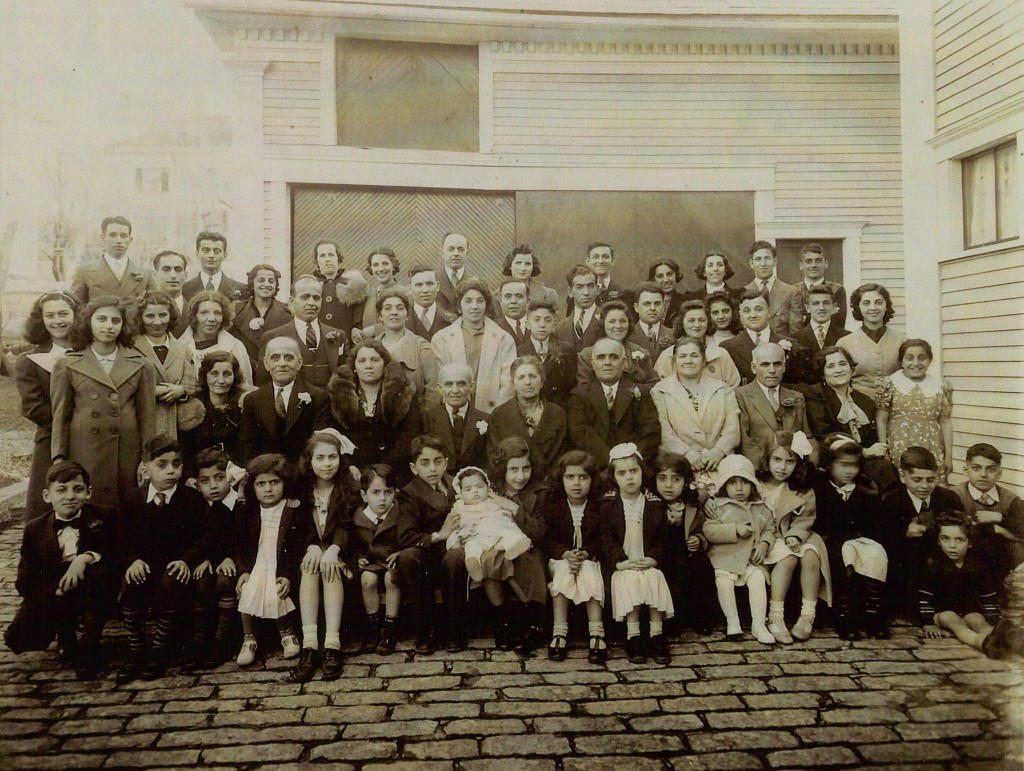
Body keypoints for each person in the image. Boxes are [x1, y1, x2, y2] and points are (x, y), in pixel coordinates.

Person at [5, 461, 110, 680]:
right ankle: (65, 636)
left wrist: (85, 558)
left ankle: (89, 647)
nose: (70, 496)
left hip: (91, 584)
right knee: (19, 637)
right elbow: (24, 580)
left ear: (88, 493)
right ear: (46, 495)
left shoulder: (103, 517)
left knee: (99, 577)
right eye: (61, 490)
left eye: (78, 489)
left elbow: (115, 554)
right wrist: (55, 592)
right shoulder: (34, 529)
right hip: (55, 590)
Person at [51, 295, 156, 513]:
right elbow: (61, 415)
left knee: (127, 510)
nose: (108, 326)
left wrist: (148, 458)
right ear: (88, 322)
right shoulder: (67, 364)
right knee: (91, 509)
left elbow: (147, 417)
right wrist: (59, 457)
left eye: (115, 321)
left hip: (127, 451)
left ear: (123, 325)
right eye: (101, 319)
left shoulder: (141, 364)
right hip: (85, 450)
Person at [117, 438, 207, 682]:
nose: (171, 470)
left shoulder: (191, 499)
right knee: (132, 586)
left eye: (176, 464)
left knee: (170, 585)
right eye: (162, 465)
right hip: (144, 566)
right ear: (146, 468)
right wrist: (133, 560)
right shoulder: (133, 499)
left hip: (174, 565)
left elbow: (205, 537)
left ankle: (159, 649)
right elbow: (122, 539)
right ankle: (136, 650)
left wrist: (186, 560)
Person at [290, 430, 356, 682]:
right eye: (320, 458)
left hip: (343, 552)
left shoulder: (347, 487)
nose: (327, 464)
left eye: (332, 457)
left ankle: (332, 644)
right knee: (310, 568)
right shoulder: (301, 489)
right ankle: (309, 645)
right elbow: (299, 526)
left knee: (329, 568)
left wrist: (335, 548)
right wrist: (312, 546)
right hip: (310, 552)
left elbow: (347, 525)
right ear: (310, 461)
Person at [600, 443, 674, 664]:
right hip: (623, 564)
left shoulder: (654, 504)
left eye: (634, 471)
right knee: (629, 579)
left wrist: (653, 557)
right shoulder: (608, 506)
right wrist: (619, 561)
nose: (629, 478)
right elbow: (606, 540)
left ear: (643, 472)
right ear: (614, 477)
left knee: (654, 577)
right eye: (622, 473)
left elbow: (662, 538)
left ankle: (656, 634)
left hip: (647, 561)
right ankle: (633, 635)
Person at [813, 434, 889, 640]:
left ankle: (872, 614)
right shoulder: (820, 486)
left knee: (876, 554)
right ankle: (844, 615)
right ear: (830, 465)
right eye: (843, 465)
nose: (849, 471)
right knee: (843, 556)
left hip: (859, 536)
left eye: (854, 466)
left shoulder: (865, 489)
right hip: (831, 536)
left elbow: (873, 522)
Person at [919, 517, 1024, 660]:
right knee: (956, 623)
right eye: (945, 539)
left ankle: (1003, 638)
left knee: (978, 620)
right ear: (938, 540)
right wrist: (928, 623)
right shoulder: (934, 565)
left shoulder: (976, 565)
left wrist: (994, 620)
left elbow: (987, 595)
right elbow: (925, 596)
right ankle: (982, 643)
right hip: (942, 611)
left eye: (959, 540)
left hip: (969, 609)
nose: (952, 546)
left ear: (970, 543)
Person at [759, 431, 830, 644]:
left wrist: (796, 536)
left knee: (811, 555)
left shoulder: (802, 490)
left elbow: (806, 518)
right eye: (777, 460)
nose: (782, 467)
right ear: (767, 460)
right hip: (769, 535)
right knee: (787, 558)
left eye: (789, 461)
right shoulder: (757, 485)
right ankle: (776, 616)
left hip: (796, 533)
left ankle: (807, 615)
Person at [234, 453, 303, 666]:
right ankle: (248, 638)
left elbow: (296, 548)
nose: (268, 489)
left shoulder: (292, 508)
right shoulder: (249, 511)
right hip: (257, 563)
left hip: (278, 564)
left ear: (284, 483)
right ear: (253, 487)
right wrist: (243, 570)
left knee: (276, 590)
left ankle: (287, 633)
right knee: (247, 590)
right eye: (261, 484)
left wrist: (288, 575)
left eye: (274, 482)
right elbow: (239, 545)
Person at [878, 446, 964, 616]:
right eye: (917, 480)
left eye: (931, 480)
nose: (925, 486)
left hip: (940, 561)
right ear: (903, 476)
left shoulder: (949, 498)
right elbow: (880, 537)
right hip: (907, 564)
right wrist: (904, 533)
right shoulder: (892, 501)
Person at [15, 290, 78, 520]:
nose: (57, 321)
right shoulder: (29, 360)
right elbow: (33, 407)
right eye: (49, 315)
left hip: (93, 440)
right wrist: (72, 424)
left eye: (64, 314)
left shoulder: (90, 352)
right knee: (49, 504)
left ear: (76, 315)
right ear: (41, 320)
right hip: (50, 440)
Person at [703, 453, 778, 644]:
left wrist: (764, 544)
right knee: (724, 583)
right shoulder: (718, 506)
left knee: (758, 580)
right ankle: (732, 621)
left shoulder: (760, 507)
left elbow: (770, 528)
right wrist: (734, 529)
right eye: (732, 482)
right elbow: (709, 531)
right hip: (725, 558)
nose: (738, 488)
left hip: (750, 559)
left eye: (744, 482)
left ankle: (759, 624)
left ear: (752, 484)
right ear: (723, 486)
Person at [540, 451, 607, 663]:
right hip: (560, 559)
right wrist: (565, 554)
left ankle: (596, 632)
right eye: (570, 477)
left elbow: (603, 537)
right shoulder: (553, 506)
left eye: (583, 477)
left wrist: (586, 552)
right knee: (563, 570)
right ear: (561, 479)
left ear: (592, 480)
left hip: (589, 558)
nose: (576, 484)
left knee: (588, 569)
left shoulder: (599, 506)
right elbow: (547, 538)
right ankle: (559, 631)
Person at [396, 435, 459, 654]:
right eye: (425, 463)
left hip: (456, 553)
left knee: (455, 557)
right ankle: (426, 631)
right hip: (428, 555)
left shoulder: (457, 484)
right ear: (414, 468)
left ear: (446, 462)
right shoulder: (410, 493)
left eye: (438, 461)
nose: (432, 468)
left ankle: (454, 631)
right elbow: (405, 536)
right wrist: (438, 536)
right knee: (408, 557)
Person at [803, 346, 896, 494]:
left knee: (886, 469)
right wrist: (863, 451)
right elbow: (824, 433)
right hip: (834, 459)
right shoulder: (815, 395)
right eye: (831, 366)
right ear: (822, 373)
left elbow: (870, 436)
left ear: (851, 368)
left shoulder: (863, 400)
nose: (838, 370)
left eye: (842, 364)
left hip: (863, 459)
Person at [491, 437, 551, 656]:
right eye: (513, 469)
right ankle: (503, 623)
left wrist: (515, 509)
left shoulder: (539, 492)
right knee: (492, 560)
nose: (520, 476)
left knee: (532, 560)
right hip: (496, 545)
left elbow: (539, 532)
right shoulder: (492, 491)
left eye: (525, 468)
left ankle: (536, 624)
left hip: (528, 546)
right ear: (502, 470)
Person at [327, 339, 421, 477]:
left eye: (375, 360)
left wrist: (386, 467)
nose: (368, 365)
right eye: (362, 361)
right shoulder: (338, 394)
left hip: (395, 468)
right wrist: (350, 464)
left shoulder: (402, 391)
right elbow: (335, 433)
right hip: (353, 470)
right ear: (354, 366)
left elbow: (410, 433)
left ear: (385, 365)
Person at [650, 337, 740, 474]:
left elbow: (732, 429)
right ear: (674, 362)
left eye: (694, 355)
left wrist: (719, 451)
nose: (688, 360)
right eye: (682, 356)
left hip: (719, 462)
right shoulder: (660, 391)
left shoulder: (723, 389)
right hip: (678, 463)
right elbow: (664, 433)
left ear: (704, 361)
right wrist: (687, 453)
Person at [566, 338, 660, 467]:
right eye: (601, 357)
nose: (607, 362)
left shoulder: (641, 392)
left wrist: (628, 460)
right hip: (595, 467)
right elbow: (580, 434)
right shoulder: (579, 395)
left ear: (623, 362)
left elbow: (651, 433)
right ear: (593, 364)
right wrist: (611, 461)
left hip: (633, 465)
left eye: (613, 357)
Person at [187, 448, 240, 669]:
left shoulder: (239, 504)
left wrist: (228, 558)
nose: (213, 486)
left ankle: (223, 639)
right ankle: (199, 640)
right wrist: (205, 558)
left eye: (219, 478)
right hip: (209, 560)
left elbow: (241, 539)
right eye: (205, 481)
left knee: (224, 580)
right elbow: (196, 537)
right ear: (197, 484)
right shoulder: (197, 506)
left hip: (235, 559)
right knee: (201, 581)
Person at [652, 452, 715, 637]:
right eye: (662, 478)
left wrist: (699, 540)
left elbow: (701, 527)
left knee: (701, 566)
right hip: (660, 552)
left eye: (676, 479)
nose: (668, 485)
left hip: (685, 551)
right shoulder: (652, 503)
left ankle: (700, 617)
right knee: (668, 574)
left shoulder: (691, 503)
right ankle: (671, 618)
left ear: (686, 482)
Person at [240, 336, 332, 463]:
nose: (282, 363)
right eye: (275, 358)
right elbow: (250, 446)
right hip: (266, 472)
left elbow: (318, 445)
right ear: (266, 363)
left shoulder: (318, 397)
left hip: (304, 473)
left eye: (289, 358)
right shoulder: (253, 400)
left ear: (299, 363)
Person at [431, 278, 516, 413]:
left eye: (480, 301)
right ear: (459, 307)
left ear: (486, 305)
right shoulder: (442, 339)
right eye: (468, 301)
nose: (474, 306)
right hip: (455, 412)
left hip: (493, 412)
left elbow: (508, 383)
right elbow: (439, 382)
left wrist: (495, 415)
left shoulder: (503, 338)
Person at [877, 339, 954, 481]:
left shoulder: (940, 385)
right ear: (901, 361)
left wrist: (948, 456)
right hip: (900, 444)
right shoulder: (890, 384)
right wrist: (884, 451)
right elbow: (882, 419)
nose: (916, 363)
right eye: (909, 358)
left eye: (922, 357)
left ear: (930, 360)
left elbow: (945, 421)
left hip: (932, 445)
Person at [446, 466, 531, 594]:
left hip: (497, 532)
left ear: (488, 487)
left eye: (479, 487)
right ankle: (474, 564)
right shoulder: (459, 508)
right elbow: (454, 528)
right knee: (471, 545)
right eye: (468, 489)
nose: (475, 492)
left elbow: (507, 517)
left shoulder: (494, 501)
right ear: (460, 493)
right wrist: (453, 542)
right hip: (477, 536)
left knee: (510, 533)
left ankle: (517, 545)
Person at [350, 464, 406, 655]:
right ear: (364, 495)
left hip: (393, 562)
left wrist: (401, 553)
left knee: (392, 580)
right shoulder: (359, 517)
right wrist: (359, 557)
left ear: (395, 493)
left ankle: (390, 628)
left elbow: (409, 536)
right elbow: (354, 543)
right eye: (375, 492)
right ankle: (373, 626)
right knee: (367, 580)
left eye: (388, 492)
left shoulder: (401, 514)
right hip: (373, 562)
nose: (382, 499)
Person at [132, 290, 201, 440]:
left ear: (170, 316)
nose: (157, 322)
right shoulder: (130, 348)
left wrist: (181, 390)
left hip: (178, 426)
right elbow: (123, 384)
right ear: (140, 318)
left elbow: (192, 383)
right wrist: (152, 391)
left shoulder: (182, 349)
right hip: (142, 424)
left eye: (162, 315)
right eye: (150, 316)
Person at [258, 275, 346, 389]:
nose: (311, 303)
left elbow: (345, 377)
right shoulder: (273, 336)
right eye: (305, 297)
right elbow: (263, 382)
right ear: (292, 301)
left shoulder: (339, 335)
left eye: (316, 298)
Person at [952, 443, 1024, 581]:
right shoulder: (955, 495)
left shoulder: (1010, 499)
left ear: (999, 473)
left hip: (1004, 562)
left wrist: (999, 518)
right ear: (965, 469)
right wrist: (998, 530)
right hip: (967, 556)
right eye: (976, 468)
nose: (983, 475)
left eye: (990, 469)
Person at [735, 342, 814, 469]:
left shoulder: (796, 397)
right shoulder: (740, 395)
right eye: (765, 364)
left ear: (784, 367)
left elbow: (807, 436)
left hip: (792, 468)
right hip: (759, 468)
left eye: (777, 364)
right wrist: (769, 469)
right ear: (754, 368)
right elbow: (745, 442)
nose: (772, 370)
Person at [486, 355, 568, 473]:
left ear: (542, 382)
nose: (527, 382)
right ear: (513, 384)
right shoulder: (499, 415)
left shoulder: (557, 413)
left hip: (550, 483)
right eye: (521, 377)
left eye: (533, 376)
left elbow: (562, 456)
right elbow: (495, 457)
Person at [372, 288, 440, 412]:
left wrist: (426, 420)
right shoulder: (370, 347)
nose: (394, 312)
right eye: (387, 308)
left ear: (407, 315)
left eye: (400, 308)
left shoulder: (422, 348)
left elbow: (433, 390)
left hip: (415, 419)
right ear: (380, 316)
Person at [837, 282, 905, 402]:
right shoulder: (845, 343)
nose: (873, 308)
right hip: (858, 406)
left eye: (879, 302)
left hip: (896, 405)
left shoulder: (902, 341)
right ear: (858, 307)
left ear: (886, 305)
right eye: (866, 303)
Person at [181, 351, 247, 472]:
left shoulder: (244, 405)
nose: (221, 381)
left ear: (235, 376)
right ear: (205, 375)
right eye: (214, 374)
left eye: (227, 374)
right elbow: (186, 451)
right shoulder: (193, 406)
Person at [70, 216, 157, 305]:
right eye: (112, 235)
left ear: (130, 240)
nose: (118, 240)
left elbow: (154, 307)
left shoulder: (146, 274)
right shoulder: (84, 272)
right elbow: (78, 308)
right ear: (103, 238)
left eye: (123, 236)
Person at [720, 289, 800, 385]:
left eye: (759, 309)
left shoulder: (791, 344)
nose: (753, 315)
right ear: (740, 315)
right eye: (747, 311)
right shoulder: (728, 347)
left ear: (769, 312)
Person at [655, 299, 740, 387]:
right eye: (691, 321)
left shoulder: (721, 354)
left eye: (701, 320)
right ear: (682, 323)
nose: (697, 325)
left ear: (708, 322)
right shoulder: (668, 356)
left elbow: (733, 386)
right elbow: (660, 389)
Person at [575, 300, 658, 391]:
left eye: (622, 321)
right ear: (603, 324)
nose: (618, 326)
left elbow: (653, 384)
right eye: (612, 321)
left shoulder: (641, 353)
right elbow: (584, 388)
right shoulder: (587, 355)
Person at [178, 290, 253, 386]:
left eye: (217, 313)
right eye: (204, 313)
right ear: (194, 315)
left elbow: (245, 385)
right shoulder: (180, 346)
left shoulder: (235, 347)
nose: (211, 319)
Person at [423, 363, 489, 471]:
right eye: (449, 384)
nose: (455, 390)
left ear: (471, 387)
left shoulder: (486, 419)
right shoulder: (428, 418)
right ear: (440, 388)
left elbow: (488, 461)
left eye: (461, 384)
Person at [229, 263, 293, 364]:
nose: (266, 284)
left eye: (271, 281)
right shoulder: (237, 310)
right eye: (261, 280)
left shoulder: (288, 313)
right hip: (244, 367)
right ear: (252, 284)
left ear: (276, 285)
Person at [518, 300, 576, 406]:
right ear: (527, 324)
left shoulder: (566, 350)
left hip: (559, 409)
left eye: (547, 320)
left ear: (554, 324)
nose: (542, 325)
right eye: (536, 320)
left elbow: (572, 387)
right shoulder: (518, 352)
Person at [744, 240, 802, 336]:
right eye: (758, 259)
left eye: (767, 258)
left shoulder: (791, 292)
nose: (763, 264)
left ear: (775, 261)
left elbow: (796, 331)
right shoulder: (743, 292)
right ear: (751, 263)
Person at [311, 240, 368, 337]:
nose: (327, 259)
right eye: (322, 256)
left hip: (344, 343)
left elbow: (358, 319)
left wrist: (356, 329)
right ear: (317, 261)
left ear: (338, 259)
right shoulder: (309, 285)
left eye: (331, 255)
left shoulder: (352, 285)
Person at [792, 243, 848, 328]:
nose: (813, 265)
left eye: (818, 261)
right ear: (801, 265)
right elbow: (793, 322)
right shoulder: (792, 291)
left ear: (825, 263)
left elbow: (838, 321)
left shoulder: (836, 290)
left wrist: (804, 317)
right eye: (808, 261)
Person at [182, 231, 249, 303]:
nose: (211, 255)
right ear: (197, 254)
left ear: (224, 255)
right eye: (206, 250)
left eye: (217, 251)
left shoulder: (240, 288)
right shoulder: (185, 289)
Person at [566, 241, 626, 316]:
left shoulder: (623, 293)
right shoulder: (577, 292)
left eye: (605, 257)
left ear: (613, 260)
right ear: (587, 261)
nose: (600, 261)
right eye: (595, 257)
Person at [793, 285, 850, 361]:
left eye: (826, 303)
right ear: (807, 308)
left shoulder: (847, 337)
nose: (821, 308)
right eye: (815, 303)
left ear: (834, 307)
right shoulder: (795, 338)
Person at [554, 266, 602, 352]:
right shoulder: (560, 327)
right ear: (570, 292)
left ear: (597, 289)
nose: (586, 293)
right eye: (579, 287)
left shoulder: (606, 319)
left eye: (590, 286)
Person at [406, 264, 457, 342]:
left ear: (438, 286)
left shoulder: (452, 321)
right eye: (419, 285)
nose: (425, 290)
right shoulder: (402, 321)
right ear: (410, 288)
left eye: (429, 284)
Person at [359, 248, 405, 331]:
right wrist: (356, 330)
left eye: (385, 264)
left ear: (393, 266)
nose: (380, 269)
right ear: (371, 269)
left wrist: (375, 329)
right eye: (375, 265)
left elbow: (407, 324)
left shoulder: (405, 293)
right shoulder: (368, 295)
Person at [503, 244, 560, 310]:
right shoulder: (497, 296)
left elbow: (554, 319)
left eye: (528, 264)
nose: (523, 268)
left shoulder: (547, 294)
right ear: (510, 266)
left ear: (533, 267)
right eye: (518, 263)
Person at [151, 250, 192, 338]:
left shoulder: (195, 310)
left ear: (186, 275)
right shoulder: (142, 308)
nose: (173, 275)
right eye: (166, 269)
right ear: (154, 274)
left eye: (178, 270)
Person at [630, 283, 676, 358]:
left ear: (664, 307)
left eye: (657, 304)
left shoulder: (673, 335)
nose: (652, 308)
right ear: (636, 307)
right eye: (647, 304)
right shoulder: (628, 335)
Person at [436, 232, 469, 315]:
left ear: (467, 254)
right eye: (451, 249)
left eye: (460, 249)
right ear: (442, 253)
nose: (456, 253)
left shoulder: (477, 283)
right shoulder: (432, 281)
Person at [648, 258, 687, 330]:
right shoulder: (646, 302)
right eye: (660, 276)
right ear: (653, 279)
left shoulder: (685, 302)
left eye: (669, 274)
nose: (666, 280)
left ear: (676, 275)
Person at [493, 279, 530, 347]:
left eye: (519, 296)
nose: (513, 301)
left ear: (528, 301)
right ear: (500, 302)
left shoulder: (540, 325)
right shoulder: (493, 329)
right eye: (508, 296)